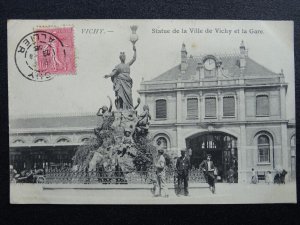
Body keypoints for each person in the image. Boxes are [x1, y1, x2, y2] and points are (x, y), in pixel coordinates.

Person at [104, 44, 136, 110]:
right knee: (121, 95)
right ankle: (121, 108)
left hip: (127, 82)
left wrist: (135, 51)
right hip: (121, 82)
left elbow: (134, 59)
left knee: (129, 95)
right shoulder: (118, 66)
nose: (124, 58)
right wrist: (108, 75)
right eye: (122, 57)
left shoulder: (127, 64)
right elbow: (113, 73)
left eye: (124, 57)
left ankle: (130, 107)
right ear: (120, 58)